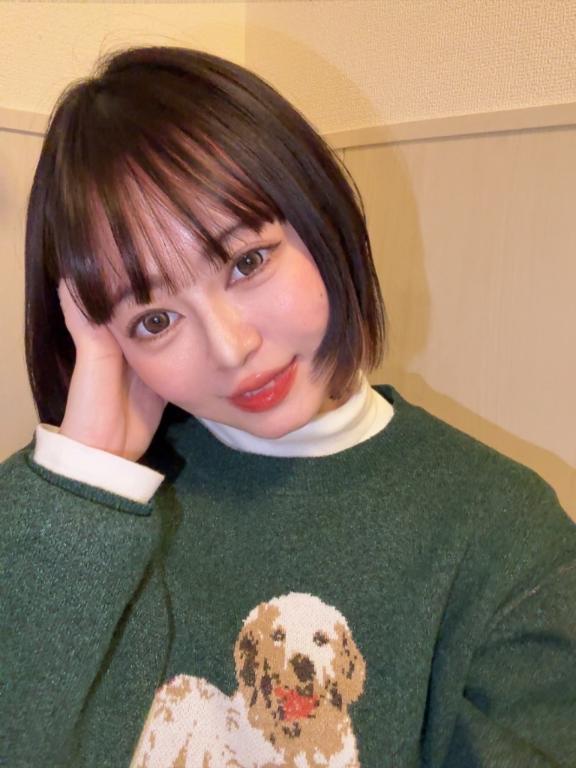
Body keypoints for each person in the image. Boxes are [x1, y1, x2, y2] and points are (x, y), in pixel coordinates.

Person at [1, 46, 575, 768]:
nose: (231, 347)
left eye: (247, 261)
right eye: (155, 320)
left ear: (318, 213)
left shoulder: (505, 538)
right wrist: (85, 482)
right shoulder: (61, 518)